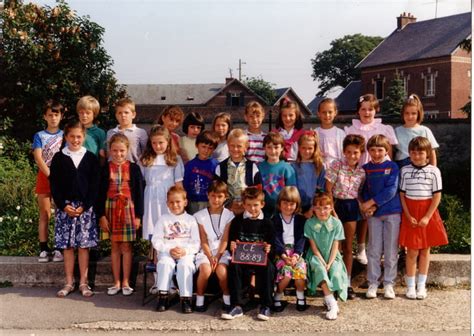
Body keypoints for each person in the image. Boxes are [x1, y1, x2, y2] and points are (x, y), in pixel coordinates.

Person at [344, 94, 398, 267]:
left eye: (370, 109)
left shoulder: (384, 129)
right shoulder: (351, 129)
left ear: (376, 110)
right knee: (358, 207)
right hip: (357, 172)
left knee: (371, 210)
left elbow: (391, 154)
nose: (367, 112)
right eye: (363, 109)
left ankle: (364, 248)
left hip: (379, 174)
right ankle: (359, 246)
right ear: (358, 111)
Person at [49, 120, 100, 298]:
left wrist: (85, 205)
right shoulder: (59, 157)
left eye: (79, 136)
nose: (75, 140)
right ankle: (69, 282)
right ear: (66, 137)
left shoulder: (91, 158)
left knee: (83, 246)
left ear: (84, 137)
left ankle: (84, 283)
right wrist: (63, 205)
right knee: (68, 246)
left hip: (85, 209)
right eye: (72, 136)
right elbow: (54, 185)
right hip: (66, 208)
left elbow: (95, 186)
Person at [399, 136, 448, 300]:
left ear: (427, 154)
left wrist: (427, 217)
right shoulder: (404, 170)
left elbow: (437, 196)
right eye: (413, 152)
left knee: (425, 250)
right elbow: (402, 195)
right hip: (411, 212)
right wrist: (407, 214)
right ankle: (411, 287)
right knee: (411, 251)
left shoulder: (434, 171)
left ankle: (422, 286)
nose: (416, 156)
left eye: (420, 153)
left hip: (428, 212)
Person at [96, 134, 144, 296]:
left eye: (122, 151)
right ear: (110, 151)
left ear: (127, 150)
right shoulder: (104, 169)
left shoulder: (134, 168)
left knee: (126, 246)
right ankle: (116, 281)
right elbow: (99, 194)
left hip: (128, 209)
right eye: (115, 151)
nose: (118, 154)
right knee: (115, 246)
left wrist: (139, 215)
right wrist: (101, 215)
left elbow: (139, 193)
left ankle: (126, 282)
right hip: (110, 208)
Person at [221, 187, 275, 321]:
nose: (252, 208)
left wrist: (269, 249)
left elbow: (273, 245)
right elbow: (231, 243)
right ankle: (237, 305)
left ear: (262, 204)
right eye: (249, 205)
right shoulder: (237, 221)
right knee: (234, 266)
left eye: (256, 205)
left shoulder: (268, 222)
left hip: (260, 260)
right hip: (243, 259)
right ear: (243, 204)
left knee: (269, 267)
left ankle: (266, 305)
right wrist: (232, 246)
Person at [360, 135, 401, 300]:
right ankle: (373, 282)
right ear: (368, 151)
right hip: (373, 215)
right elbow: (363, 189)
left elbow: (391, 190)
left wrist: (372, 203)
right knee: (374, 249)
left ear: (386, 150)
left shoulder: (393, 167)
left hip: (391, 212)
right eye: (373, 150)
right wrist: (368, 207)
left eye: (380, 150)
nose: (376, 153)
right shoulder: (365, 168)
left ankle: (389, 283)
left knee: (391, 250)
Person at [325, 134, 365, 300]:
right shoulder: (336, 166)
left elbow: (360, 193)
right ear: (343, 152)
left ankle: (346, 284)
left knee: (348, 246)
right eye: (348, 152)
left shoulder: (361, 172)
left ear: (360, 153)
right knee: (335, 247)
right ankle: (334, 282)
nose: (351, 156)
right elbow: (328, 190)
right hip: (336, 205)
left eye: (355, 152)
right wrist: (332, 211)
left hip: (351, 207)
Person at [152, 186, 200, 313]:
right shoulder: (163, 219)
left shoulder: (191, 220)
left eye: (178, 202)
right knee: (165, 264)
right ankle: (163, 296)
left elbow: (196, 242)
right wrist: (168, 249)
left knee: (185, 266)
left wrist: (185, 251)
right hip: (167, 251)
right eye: (171, 202)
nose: (175, 205)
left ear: (185, 202)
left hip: (185, 252)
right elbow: (156, 240)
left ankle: (186, 299)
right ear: (167, 203)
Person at [305, 192, 348, 320]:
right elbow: (313, 247)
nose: (322, 211)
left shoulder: (336, 224)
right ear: (313, 209)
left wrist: (329, 262)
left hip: (332, 256)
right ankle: (333, 304)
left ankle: (329, 298)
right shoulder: (309, 223)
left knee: (335, 271)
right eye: (318, 208)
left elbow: (336, 246)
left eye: (325, 208)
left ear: (331, 208)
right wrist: (323, 262)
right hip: (316, 256)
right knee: (320, 269)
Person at [194, 180, 235, 312]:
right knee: (205, 270)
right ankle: (200, 298)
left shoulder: (229, 215)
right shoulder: (199, 216)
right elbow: (203, 240)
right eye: (213, 196)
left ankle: (226, 297)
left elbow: (225, 239)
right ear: (208, 195)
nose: (216, 200)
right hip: (205, 252)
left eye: (219, 196)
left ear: (225, 197)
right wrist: (210, 256)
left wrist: (217, 256)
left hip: (221, 252)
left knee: (222, 272)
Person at [32, 100, 64, 263]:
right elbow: (38, 157)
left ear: (61, 116)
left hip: (61, 177)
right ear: (45, 116)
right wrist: (50, 174)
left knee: (60, 213)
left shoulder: (64, 135)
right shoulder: (39, 135)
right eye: (50, 115)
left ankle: (59, 248)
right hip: (45, 175)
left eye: (56, 115)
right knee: (45, 213)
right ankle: (44, 248)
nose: (53, 118)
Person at [140, 125, 184, 240]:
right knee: (153, 228)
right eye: (154, 143)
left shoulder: (175, 159)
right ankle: (154, 256)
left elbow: (179, 184)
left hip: (168, 197)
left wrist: (181, 203)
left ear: (168, 142)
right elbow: (141, 182)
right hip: (151, 198)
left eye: (161, 142)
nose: (157, 146)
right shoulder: (145, 159)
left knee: (169, 228)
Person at [272, 186, 307, 313]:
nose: (288, 207)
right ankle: (278, 294)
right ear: (279, 204)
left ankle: (301, 297)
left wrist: (296, 255)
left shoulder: (300, 220)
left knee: (299, 273)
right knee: (286, 274)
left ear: (296, 205)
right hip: (281, 254)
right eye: (285, 203)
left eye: (291, 204)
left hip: (296, 253)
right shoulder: (275, 219)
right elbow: (275, 239)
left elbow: (301, 239)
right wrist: (284, 256)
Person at [215, 128, 262, 215]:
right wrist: (229, 204)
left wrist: (247, 203)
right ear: (228, 146)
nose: (235, 149)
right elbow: (217, 191)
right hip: (227, 210)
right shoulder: (220, 168)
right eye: (232, 146)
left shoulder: (252, 167)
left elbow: (258, 190)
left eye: (239, 146)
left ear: (246, 147)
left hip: (248, 210)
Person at [395, 94, 439, 168]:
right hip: (402, 165)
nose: (410, 116)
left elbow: (432, 153)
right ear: (403, 113)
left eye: (413, 113)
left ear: (419, 114)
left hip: (421, 164)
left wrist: (433, 171)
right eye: (407, 113)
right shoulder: (397, 131)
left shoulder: (425, 131)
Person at [258, 132, 297, 218]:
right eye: (269, 147)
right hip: (262, 210)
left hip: (282, 210)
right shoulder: (259, 167)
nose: (273, 151)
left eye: (276, 147)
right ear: (264, 148)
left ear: (282, 148)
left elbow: (291, 193)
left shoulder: (287, 168)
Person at [183, 130, 219, 214]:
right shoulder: (189, 165)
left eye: (210, 148)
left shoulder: (216, 165)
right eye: (203, 146)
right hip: (192, 202)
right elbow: (185, 185)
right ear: (197, 145)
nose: (206, 150)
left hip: (209, 202)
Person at [291, 130, 326, 218]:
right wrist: (296, 208)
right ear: (299, 148)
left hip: (314, 208)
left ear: (315, 148)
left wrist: (313, 209)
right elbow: (292, 189)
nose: (307, 151)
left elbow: (321, 190)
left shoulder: (319, 167)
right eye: (304, 148)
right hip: (296, 208)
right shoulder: (293, 167)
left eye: (310, 148)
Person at [106, 98, 148, 163]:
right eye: (120, 113)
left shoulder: (140, 132)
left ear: (133, 115)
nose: (123, 115)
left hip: (134, 168)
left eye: (126, 112)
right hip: (114, 169)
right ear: (116, 115)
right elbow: (109, 153)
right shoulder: (111, 132)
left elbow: (146, 152)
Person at [314, 98, 345, 168]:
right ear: (318, 113)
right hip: (320, 168)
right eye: (324, 112)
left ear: (335, 113)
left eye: (330, 112)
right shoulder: (315, 133)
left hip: (338, 169)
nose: (327, 115)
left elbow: (344, 154)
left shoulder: (341, 133)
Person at [273, 97, 305, 162]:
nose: (287, 118)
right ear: (280, 117)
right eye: (284, 115)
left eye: (291, 115)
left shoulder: (302, 135)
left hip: (297, 167)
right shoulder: (274, 134)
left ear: (296, 116)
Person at [76, 95, 106, 164]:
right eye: (81, 112)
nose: (84, 116)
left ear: (94, 114)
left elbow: (102, 155)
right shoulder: (74, 130)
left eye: (88, 113)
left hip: (93, 168)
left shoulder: (100, 132)